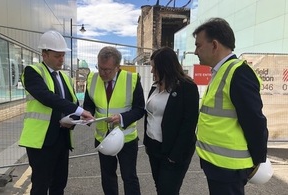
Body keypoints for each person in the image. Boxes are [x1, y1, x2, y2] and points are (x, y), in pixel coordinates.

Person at [192, 17, 269, 195]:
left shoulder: (238, 73)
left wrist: (258, 161)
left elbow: (255, 121)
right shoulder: (222, 72)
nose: (195, 51)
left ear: (214, 45)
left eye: (198, 45)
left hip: (229, 169)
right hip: (218, 165)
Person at [19, 30, 94, 195]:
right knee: (40, 186)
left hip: (62, 138)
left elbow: (72, 102)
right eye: (57, 55)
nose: (62, 59)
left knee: (59, 184)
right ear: (44, 54)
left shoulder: (65, 77)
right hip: (41, 141)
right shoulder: (32, 72)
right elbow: (47, 97)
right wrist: (80, 111)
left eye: (63, 55)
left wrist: (74, 119)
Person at [83, 46, 145, 195]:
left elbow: (139, 109)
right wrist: (87, 115)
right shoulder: (92, 78)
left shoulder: (132, 79)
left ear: (117, 67)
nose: (103, 73)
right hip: (103, 138)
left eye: (107, 70)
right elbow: (89, 104)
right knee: (107, 177)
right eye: (100, 68)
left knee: (129, 177)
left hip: (126, 139)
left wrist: (122, 118)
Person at [143, 47, 199, 195]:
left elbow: (189, 125)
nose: (151, 71)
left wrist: (174, 157)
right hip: (154, 147)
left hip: (173, 151)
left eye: (154, 67)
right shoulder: (155, 86)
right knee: (160, 187)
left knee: (168, 190)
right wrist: (148, 143)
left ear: (165, 67)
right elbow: (150, 115)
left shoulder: (187, 88)